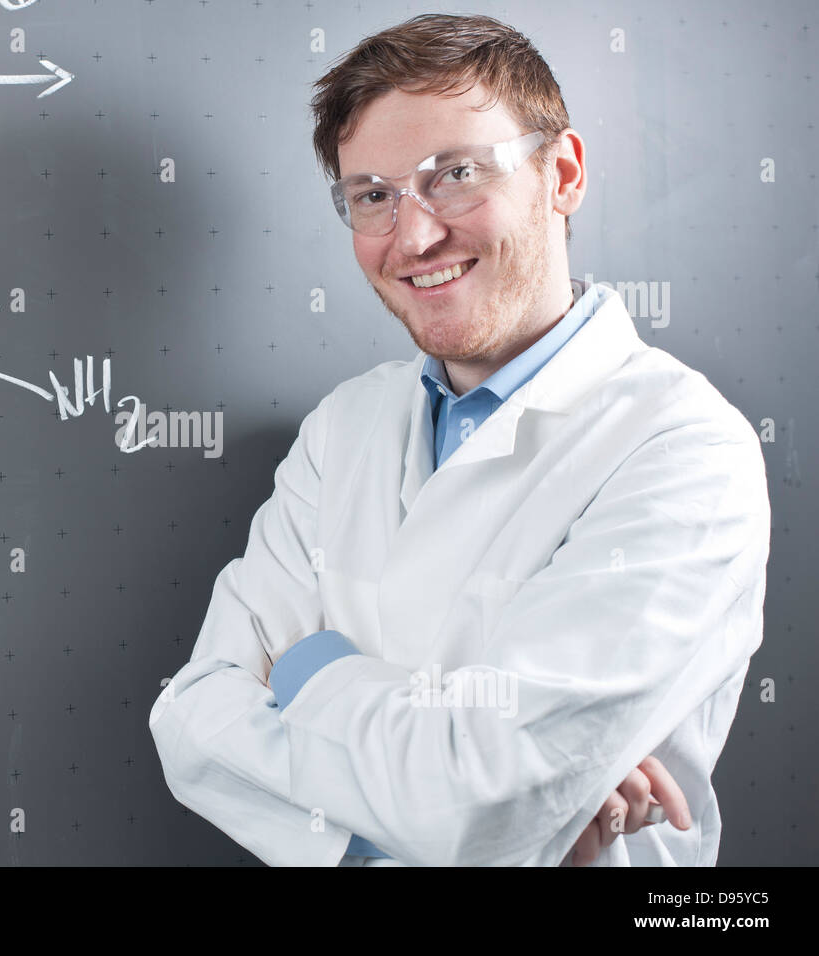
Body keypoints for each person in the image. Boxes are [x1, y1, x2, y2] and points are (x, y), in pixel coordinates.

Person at [148, 13, 770, 867]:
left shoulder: (683, 449)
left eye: (457, 175)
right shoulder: (345, 429)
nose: (413, 236)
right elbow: (192, 719)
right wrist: (464, 791)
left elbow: (482, 798)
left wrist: (307, 672)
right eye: (373, 195)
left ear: (564, 173)